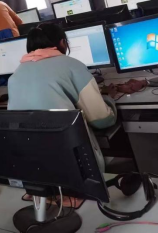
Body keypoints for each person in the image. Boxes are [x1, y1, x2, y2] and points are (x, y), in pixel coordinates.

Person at [7, 23, 116, 169]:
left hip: (31, 162)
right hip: (74, 159)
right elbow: (101, 120)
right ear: (62, 42)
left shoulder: (15, 75)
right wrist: (108, 99)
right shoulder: (73, 66)